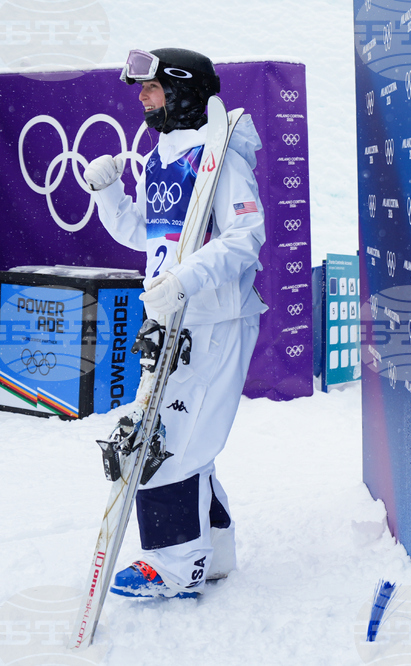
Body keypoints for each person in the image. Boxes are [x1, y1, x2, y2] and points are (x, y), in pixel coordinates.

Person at [83, 48, 267, 599]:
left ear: (183, 90)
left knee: (162, 444)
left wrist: (186, 283)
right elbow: (148, 235)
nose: (142, 96)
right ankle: (214, 551)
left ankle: (174, 567)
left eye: (153, 87)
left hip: (213, 319)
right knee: (188, 442)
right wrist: (109, 193)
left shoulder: (222, 155)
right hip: (173, 318)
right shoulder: (163, 153)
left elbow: (244, 237)